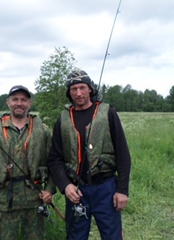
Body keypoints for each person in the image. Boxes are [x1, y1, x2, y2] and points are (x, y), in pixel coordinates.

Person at [48, 68, 131, 240]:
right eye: (74, 89)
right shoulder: (62, 119)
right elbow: (54, 159)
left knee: (112, 236)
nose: (78, 93)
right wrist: (65, 185)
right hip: (76, 191)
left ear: (90, 89)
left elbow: (123, 154)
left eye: (82, 88)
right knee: (75, 237)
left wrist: (122, 190)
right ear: (69, 93)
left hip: (105, 189)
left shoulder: (107, 113)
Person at [0, 85, 56, 240]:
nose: (19, 103)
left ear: (29, 103)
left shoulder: (43, 130)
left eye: (23, 100)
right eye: (15, 99)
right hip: (4, 201)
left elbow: (54, 163)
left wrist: (49, 190)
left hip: (34, 201)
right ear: (8, 102)